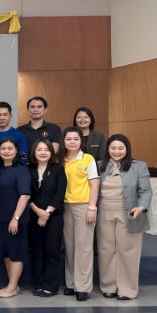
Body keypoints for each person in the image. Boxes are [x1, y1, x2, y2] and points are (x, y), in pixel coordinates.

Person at [96, 134, 151, 300]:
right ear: (107, 149)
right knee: (106, 249)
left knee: (128, 251)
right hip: (104, 212)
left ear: (127, 149)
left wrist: (141, 207)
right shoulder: (98, 165)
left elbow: (146, 191)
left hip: (129, 213)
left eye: (121, 148)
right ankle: (108, 286)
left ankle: (127, 289)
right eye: (113, 148)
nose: (117, 151)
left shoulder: (139, 166)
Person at [61, 126, 100, 301]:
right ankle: (71, 284)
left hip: (83, 206)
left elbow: (95, 184)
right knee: (69, 247)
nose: (72, 142)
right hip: (65, 206)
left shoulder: (88, 158)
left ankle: (83, 287)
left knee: (83, 247)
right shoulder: (60, 159)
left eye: (76, 139)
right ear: (63, 141)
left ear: (81, 141)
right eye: (68, 139)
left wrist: (92, 207)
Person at [0, 138, 31, 298]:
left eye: (10, 148)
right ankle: (12, 285)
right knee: (6, 253)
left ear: (16, 151)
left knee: (16, 253)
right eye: (3, 149)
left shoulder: (21, 170)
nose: (6, 151)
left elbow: (25, 195)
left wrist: (16, 218)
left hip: (15, 219)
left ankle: (13, 286)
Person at [28, 138, 67, 297]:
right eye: (39, 149)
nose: (43, 153)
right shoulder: (28, 169)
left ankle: (50, 286)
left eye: (46, 150)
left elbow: (59, 194)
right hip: (33, 215)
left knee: (52, 251)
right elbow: (26, 194)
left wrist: (46, 213)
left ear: (51, 152)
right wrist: (38, 212)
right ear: (34, 152)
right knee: (37, 251)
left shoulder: (58, 169)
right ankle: (38, 284)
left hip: (54, 216)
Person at [0, 102, 28, 171]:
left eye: (5, 115)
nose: (2, 118)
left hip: (13, 174)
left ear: (10, 116)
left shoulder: (19, 135)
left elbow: (24, 159)